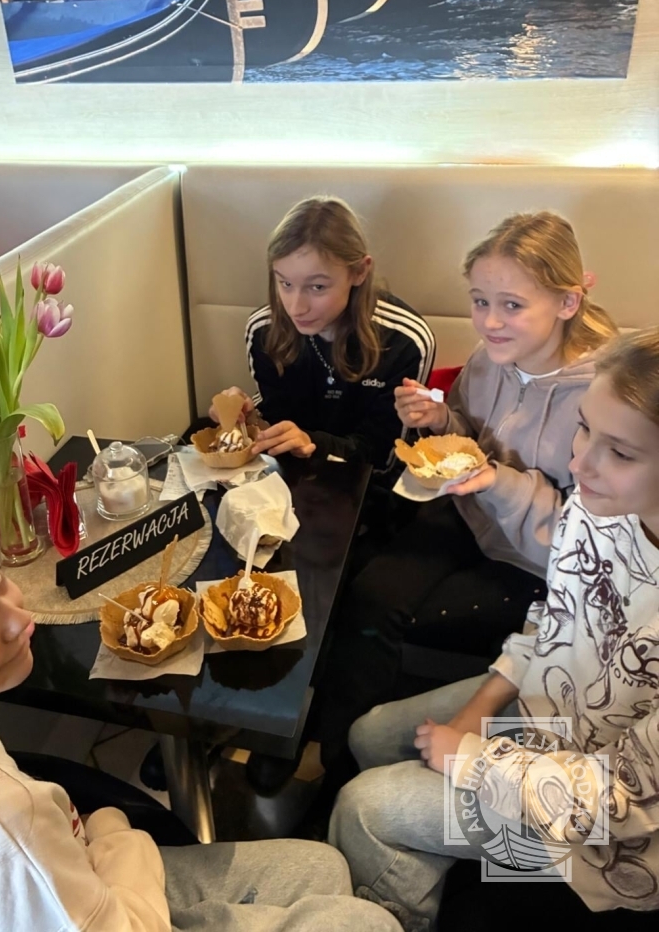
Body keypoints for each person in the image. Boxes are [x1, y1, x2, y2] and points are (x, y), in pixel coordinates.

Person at [0, 497, 402, 932]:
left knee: (323, 866)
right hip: (107, 887)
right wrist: (116, 833)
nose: (18, 617)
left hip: (77, 872)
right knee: (366, 922)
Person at [330, 328, 659, 931]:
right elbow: (552, 619)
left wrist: (475, 760)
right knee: (369, 735)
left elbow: (624, 801)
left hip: (605, 834)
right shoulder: (598, 509)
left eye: (620, 452)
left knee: (363, 809)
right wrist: (479, 709)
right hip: (550, 723)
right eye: (584, 429)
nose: (578, 463)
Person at [315, 211, 619, 787]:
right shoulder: (489, 359)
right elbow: (470, 439)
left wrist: (497, 482)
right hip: (470, 516)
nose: (490, 322)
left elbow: (592, 538)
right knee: (365, 595)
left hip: (539, 561)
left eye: (511, 305)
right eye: (480, 301)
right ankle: (337, 769)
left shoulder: (604, 397)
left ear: (567, 302)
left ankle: (396, 779)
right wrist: (440, 421)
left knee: (404, 619)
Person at [210, 196, 435, 471]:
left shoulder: (404, 340)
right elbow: (277, 418)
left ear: (359, 272)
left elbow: (383, 454)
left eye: (317, 287)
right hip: (288, 473)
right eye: (285, 283)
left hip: (366, 480)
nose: (296, 308)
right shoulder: (263, 329)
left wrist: (312, 443)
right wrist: (251, 420)